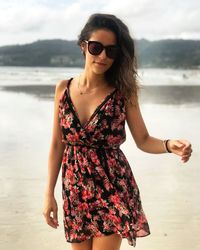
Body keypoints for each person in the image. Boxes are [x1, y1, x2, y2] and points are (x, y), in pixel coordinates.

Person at [43, 13, 192, 250]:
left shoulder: (123, 92)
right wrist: (48, 194)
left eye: (111, 51)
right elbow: (56, 145)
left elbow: (143, 140)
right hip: (75, 189)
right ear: (84, 46)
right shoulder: (63, 88)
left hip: (113, 187)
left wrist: (168, 144)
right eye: (96, 47)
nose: (103, 56)